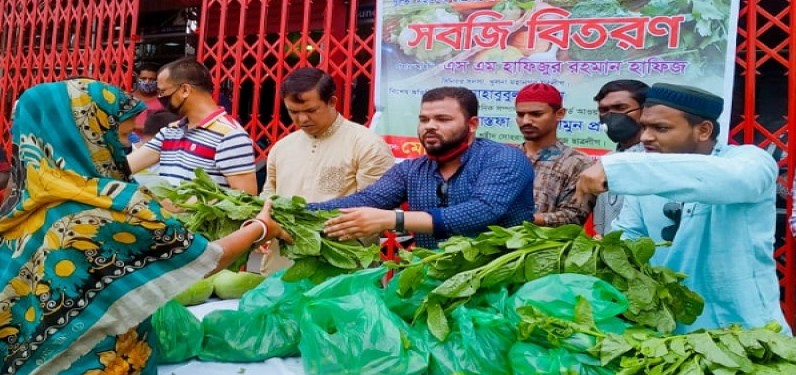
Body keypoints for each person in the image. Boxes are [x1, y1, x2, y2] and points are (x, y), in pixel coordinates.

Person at [0, 78, 291, 375]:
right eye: (120, 137)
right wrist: (260, 228)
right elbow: (202, 261)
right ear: (87, 137)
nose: (125, 149)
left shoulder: (21, 204)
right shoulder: (108, 208)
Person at [576, 83, 790, 334]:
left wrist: (617, 168)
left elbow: (735, 180)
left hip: (748, 329)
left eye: (661, 128)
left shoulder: (750, 161)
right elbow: (628, 239)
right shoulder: (645, 177)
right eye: (644, 126)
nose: (645, 137)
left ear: (703, 130)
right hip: (673, 332)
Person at [314, 86, 534, 249]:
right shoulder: (412, 170)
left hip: (500, 282)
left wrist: (393, 219)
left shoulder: (505, 158)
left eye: (443, 119)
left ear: (472, 124)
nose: (430, 126)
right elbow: (364, 201)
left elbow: (482, 210)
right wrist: (291, 210)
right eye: (424, 119)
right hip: (432, 279)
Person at [259, 67, 395, 274]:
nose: (302, 119)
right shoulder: (282, 147)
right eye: (293, 112)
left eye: (311, 111)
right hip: (282, 266)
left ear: (332, 102)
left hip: (342, 269)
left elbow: (375, 208)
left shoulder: (367, 145)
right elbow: (268, 198)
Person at [127, 57, 258, 195]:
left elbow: (245, 199)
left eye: (163, 92)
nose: (160, 98)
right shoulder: (171, 131)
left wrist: (192, 204)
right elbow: (125, 166)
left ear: (185, 90)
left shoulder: (230, 136)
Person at [515, 82, 594, 227]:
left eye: (536, 114)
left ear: (559, 114)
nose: (526, 121)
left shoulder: (578, 163)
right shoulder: (503, 157)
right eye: (520, 114)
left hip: (547, 247)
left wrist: (521, 220)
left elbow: (573, 216)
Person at [592, 79, 649, 236]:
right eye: (604, 110)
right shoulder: (607, 161)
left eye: (620, 108)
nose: (611, 116)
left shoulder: (656, 161)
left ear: (645, 111)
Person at [130, 63, 164, 143]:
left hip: (153, 145)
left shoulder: (163, 101)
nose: (147, 82)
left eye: (152, 79)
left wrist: (135, 126)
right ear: (137, 78)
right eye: (143, 78)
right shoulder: (128, 98)